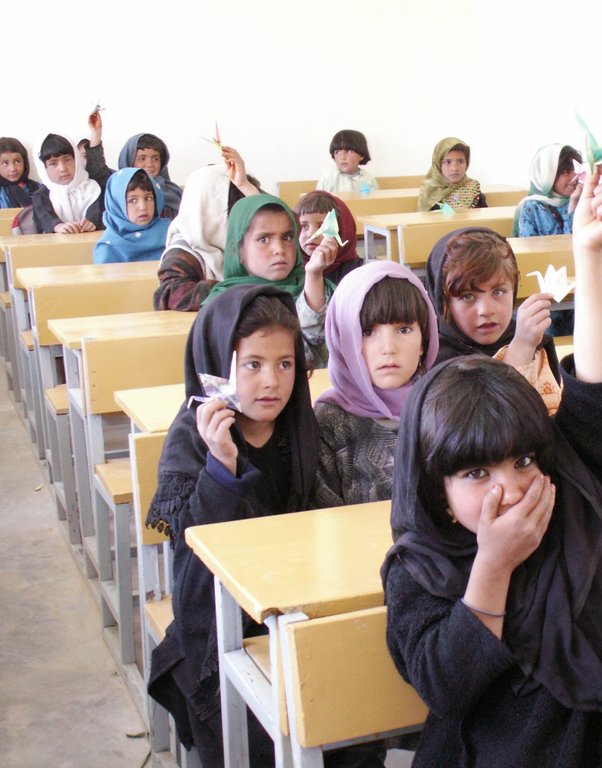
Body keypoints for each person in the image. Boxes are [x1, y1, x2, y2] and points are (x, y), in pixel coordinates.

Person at [382, 164, 602, 767]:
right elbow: (446, 687)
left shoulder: (577, 502)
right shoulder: (423, 565)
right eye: (475, 474)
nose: (510, 488)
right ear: (433, 488)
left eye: (523, 460)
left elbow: (596, 393)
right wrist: (493, 563)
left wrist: (588, 255)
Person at [146, 285, 318, 767]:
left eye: (285, 364)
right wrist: (221, 467)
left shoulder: (299, 427)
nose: (272, 382)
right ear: (218, 367)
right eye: (253, 365)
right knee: (261, 741)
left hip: (293, 608)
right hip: (214, 625)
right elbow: (193, 564)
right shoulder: (193, 439)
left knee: (345, 732)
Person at [313, 260, 438, 507]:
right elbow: (324, 518)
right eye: (368, 332)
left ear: (424, 341)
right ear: (344, 341)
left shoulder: (444, 407)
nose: (388, 348)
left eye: (404, 330)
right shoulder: (329, 422)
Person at [425, 226, 561, 413]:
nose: (486, 310)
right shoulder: (432, 362)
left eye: (498, 292)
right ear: (442, 302)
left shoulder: (533, 341)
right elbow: (482, 423)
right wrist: (520, 350)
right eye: (467, 296)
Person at [204, 194, 332, 369]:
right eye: (263, 239)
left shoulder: (317, 288)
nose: (279, 249)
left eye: (287, 237)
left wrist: (314, 276)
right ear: (239, 251)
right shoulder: (223, 305)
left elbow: (315, 343)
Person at [153, 149, 261, 311]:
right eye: (237, 209)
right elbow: (172, 293)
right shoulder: (181, 254)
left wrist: (246, 186)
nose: (245, 219)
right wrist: (243, 290)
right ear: (211, 209)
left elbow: (283, 224)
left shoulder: (240, 242)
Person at [84, 109, 182, 216]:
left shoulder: (173, 192)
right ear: (129, 160)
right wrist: (96, 133)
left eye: (155, 159)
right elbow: (97, 169)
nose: (150, 164)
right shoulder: (119, 186)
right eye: (142, 158)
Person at [92, 168, 171, 263]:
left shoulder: (171, 234)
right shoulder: (108, 248)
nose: (143, 207)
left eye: (148, 198)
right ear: (117, 205)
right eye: (132, 200)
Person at [30, 133, 104, 233]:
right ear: (43, 168)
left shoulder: (93, 189)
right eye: (53, 163)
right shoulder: (41, 196)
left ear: (76, 160)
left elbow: (97, 212)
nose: (63, 168)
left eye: (67, 160)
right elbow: (44, 217)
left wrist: (91, 222)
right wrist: (58, 226)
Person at [511, 144, 583, 237]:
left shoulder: (581, 200)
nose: (575, 178)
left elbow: (580, 241)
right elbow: (528, 244)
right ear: (547, 175)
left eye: (577, 172)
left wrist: (573, 204)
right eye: (566, 172)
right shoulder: (531, 207)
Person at [294, 190, 361, 285]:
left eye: (322, 227)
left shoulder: (356, 274)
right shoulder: (290, 269)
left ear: (342, 231)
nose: (311, 234)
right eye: (304, 226)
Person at [417, 137, 487, 211]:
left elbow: (486, 216)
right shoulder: (429, 191)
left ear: (467, 163)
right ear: (438, 164)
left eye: (460, 162)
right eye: (447, 162)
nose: (454, 168)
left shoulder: (473, 188)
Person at [316, 129, 379, 194]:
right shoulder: (327, 178)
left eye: (349, 151)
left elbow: (376, 199)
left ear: (361, 155)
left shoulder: (368, 179)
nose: (342, 157)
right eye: (337, 152)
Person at [0, 137, 42, 208]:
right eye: (5, 163)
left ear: (24, 162)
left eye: (17, 161)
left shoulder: (38, 189)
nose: (13, 169)